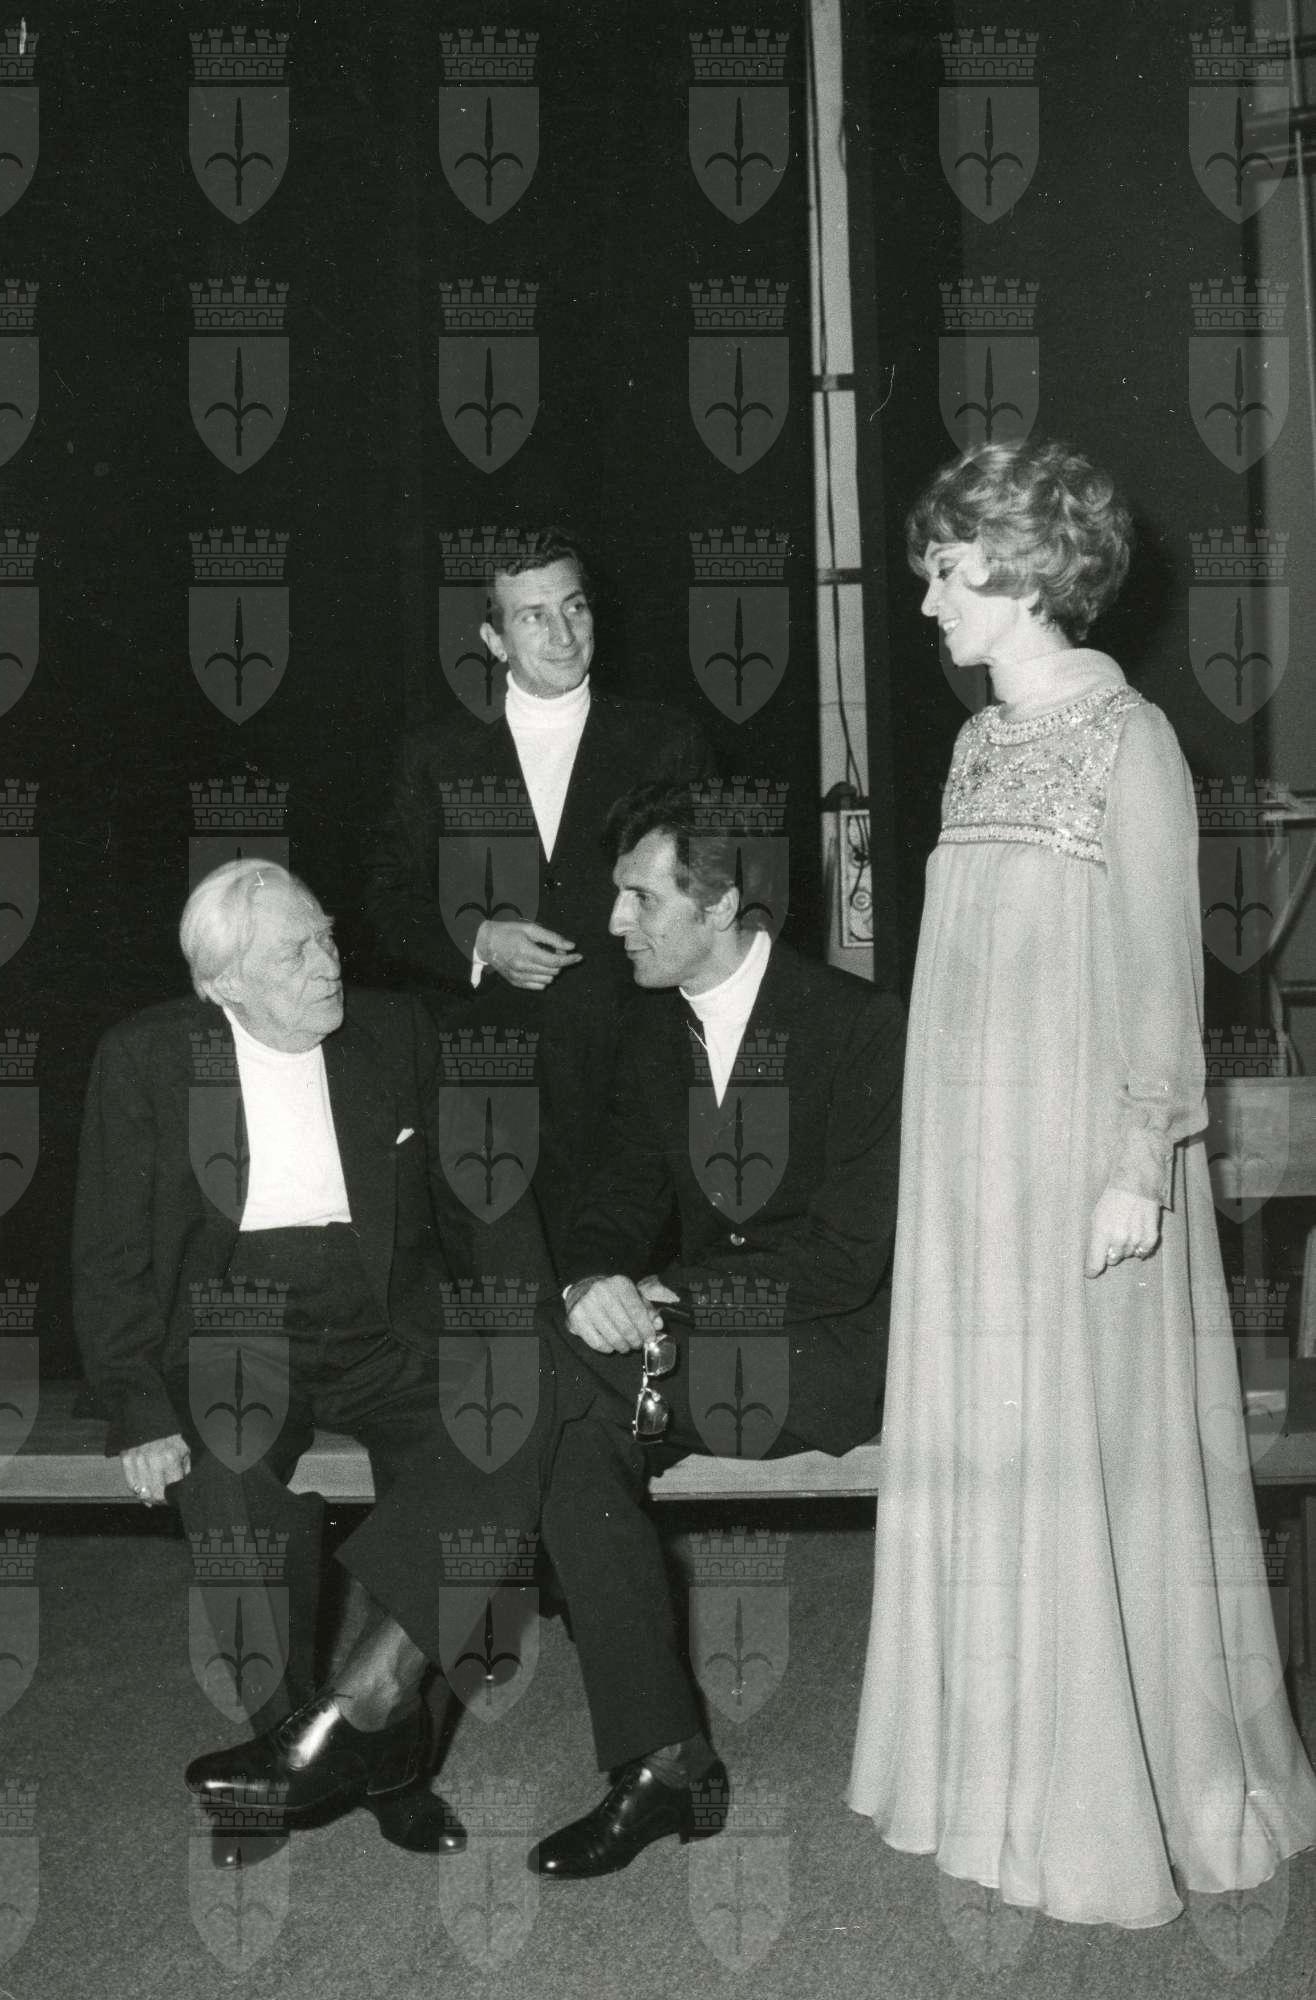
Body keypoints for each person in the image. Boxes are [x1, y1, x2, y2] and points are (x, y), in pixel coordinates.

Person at [845, 440, 1316, 1925]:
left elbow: (1162, 971)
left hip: (1077, 1167)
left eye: (947, 570)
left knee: (1084, 1456)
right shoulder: (979, 744)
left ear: (1024, 570)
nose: (930, 600)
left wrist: (1136, 1163)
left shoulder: (1133, 738)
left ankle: (1113, 1795)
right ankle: (990, 1778)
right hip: (967, 1168)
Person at [73, 859, 558, 1860]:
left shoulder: (397, 1030)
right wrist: (137, 1404)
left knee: (486, 1449)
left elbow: (484, 1202)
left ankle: (388, 1744)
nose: (329, 962)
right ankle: (283, 1751)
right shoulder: (148, 1056)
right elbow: (110, 1248)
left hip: (390, 1321)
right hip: (233, 1325)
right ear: (225, 982)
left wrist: (529, 1331)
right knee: (231, 1486)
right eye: (295, 953)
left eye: (327, 935)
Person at [525, 779, 904, 1876]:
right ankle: (664, 1761)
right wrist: (592, 1277)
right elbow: (613, 1197)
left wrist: (669, 1295)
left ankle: (376, 1698)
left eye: (641, 898)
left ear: (724, 902)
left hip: (826, 1351)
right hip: (689, 1346)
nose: (614, 922)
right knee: (565, 1409)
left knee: (548, 1392)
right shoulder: (654, 1029)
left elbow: (846, 1259)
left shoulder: (858, 1025)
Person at [364, 529, 715, 1274]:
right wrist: (480, 943)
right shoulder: (435, 754)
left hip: (633, 1062)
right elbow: (388, 901)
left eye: (575, 607)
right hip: (488, 1074)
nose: (563, 634)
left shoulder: (666, 740)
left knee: (623, 1285)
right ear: (494, 639)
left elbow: (710, 894)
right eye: (533, 616)